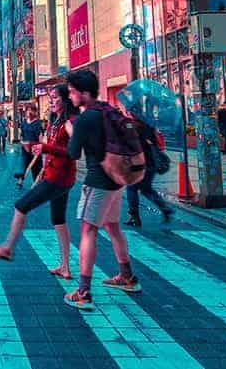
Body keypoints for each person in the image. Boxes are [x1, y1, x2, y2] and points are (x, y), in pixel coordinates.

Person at [64, 70, 141, 308]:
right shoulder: (108, 110)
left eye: (72, 92)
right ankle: (127, 276)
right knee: (113, 226)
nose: (70, 96)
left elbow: (73, 153)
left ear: (84, 93)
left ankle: (84, 291)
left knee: (88, 231)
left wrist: (71, 131)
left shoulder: (86, 118)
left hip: (98, 181)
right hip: (118, 179)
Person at [0, 84, 78, 279]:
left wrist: (46, 148)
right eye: (50, 97)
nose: (51, 101)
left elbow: (73, 151)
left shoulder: (69, 122)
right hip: (60, 176)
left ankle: (8, 248)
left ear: (66, 99)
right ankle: (65, 267)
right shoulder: (55, 121)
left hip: (59, 177)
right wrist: (43, 151)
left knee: (21, 206)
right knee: (59, 220)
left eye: (55, 97)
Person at [124, 118, 173, 227]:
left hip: (139, 163)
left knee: (131, 188)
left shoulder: (133, 127)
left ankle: (134, 216)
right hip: (151, 163)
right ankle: (164, 208)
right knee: (146, 189)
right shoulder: (149, 127)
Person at [17, 107, 44, 181]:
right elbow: (21, 135)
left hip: (35, 149)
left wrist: (39, 148)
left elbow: (40, 137)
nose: (29, 112)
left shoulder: (38, 123)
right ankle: (20, 180)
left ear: (35, 112)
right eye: (28, 110)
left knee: (36, 168)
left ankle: (36, 184)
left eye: (31, 110)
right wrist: (22, 143)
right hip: (25, 149)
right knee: (23, 165)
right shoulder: (24, 123)